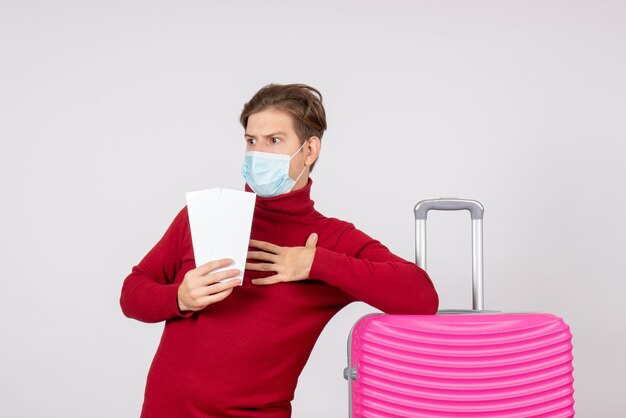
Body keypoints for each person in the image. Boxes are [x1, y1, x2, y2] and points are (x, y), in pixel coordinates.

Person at [120, 83, 439, 417]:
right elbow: (132, 292)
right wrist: (179, 298)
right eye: (251, 141)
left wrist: (316, 263)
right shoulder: (205, 215)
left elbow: (421, 297)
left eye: (274, 140)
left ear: (310, 150)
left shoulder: (331, 238)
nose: (258, 152)